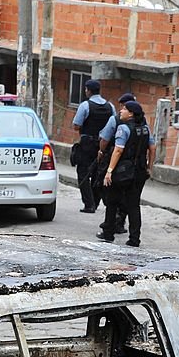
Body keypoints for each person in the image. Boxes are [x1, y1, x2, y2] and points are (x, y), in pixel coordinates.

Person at [97, 99, 155, 247]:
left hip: (122, 171)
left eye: (124, 109)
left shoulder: (124, 128)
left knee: (112, 201)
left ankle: (108, 233)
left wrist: (109, 171)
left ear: (131, 114)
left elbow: (118, 150)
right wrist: (150, 166)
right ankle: (134, 239)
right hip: (140, 171)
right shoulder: (145, 129)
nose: (121, 111)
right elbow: (152, 148)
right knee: (134, 205)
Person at [71, 79, 115, 214]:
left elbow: (76, 125)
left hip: (87, 144)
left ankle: (89, 204)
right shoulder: (110, 106)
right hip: (104, 144)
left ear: (88, 90)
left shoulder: (85, 106)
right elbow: (113, 124)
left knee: (83, 173)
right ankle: (95, 202)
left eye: (86, 89)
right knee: (98, 173)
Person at [96, 91, 136, 232]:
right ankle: (120, 221)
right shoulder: (142, 123)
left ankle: (112, 224)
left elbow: (105, 140)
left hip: (115, 161)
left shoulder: (115, 120)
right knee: (126, 195)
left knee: (109, 192)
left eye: (124, 107)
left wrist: (102, 152)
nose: (121, 110)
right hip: (133, 165)